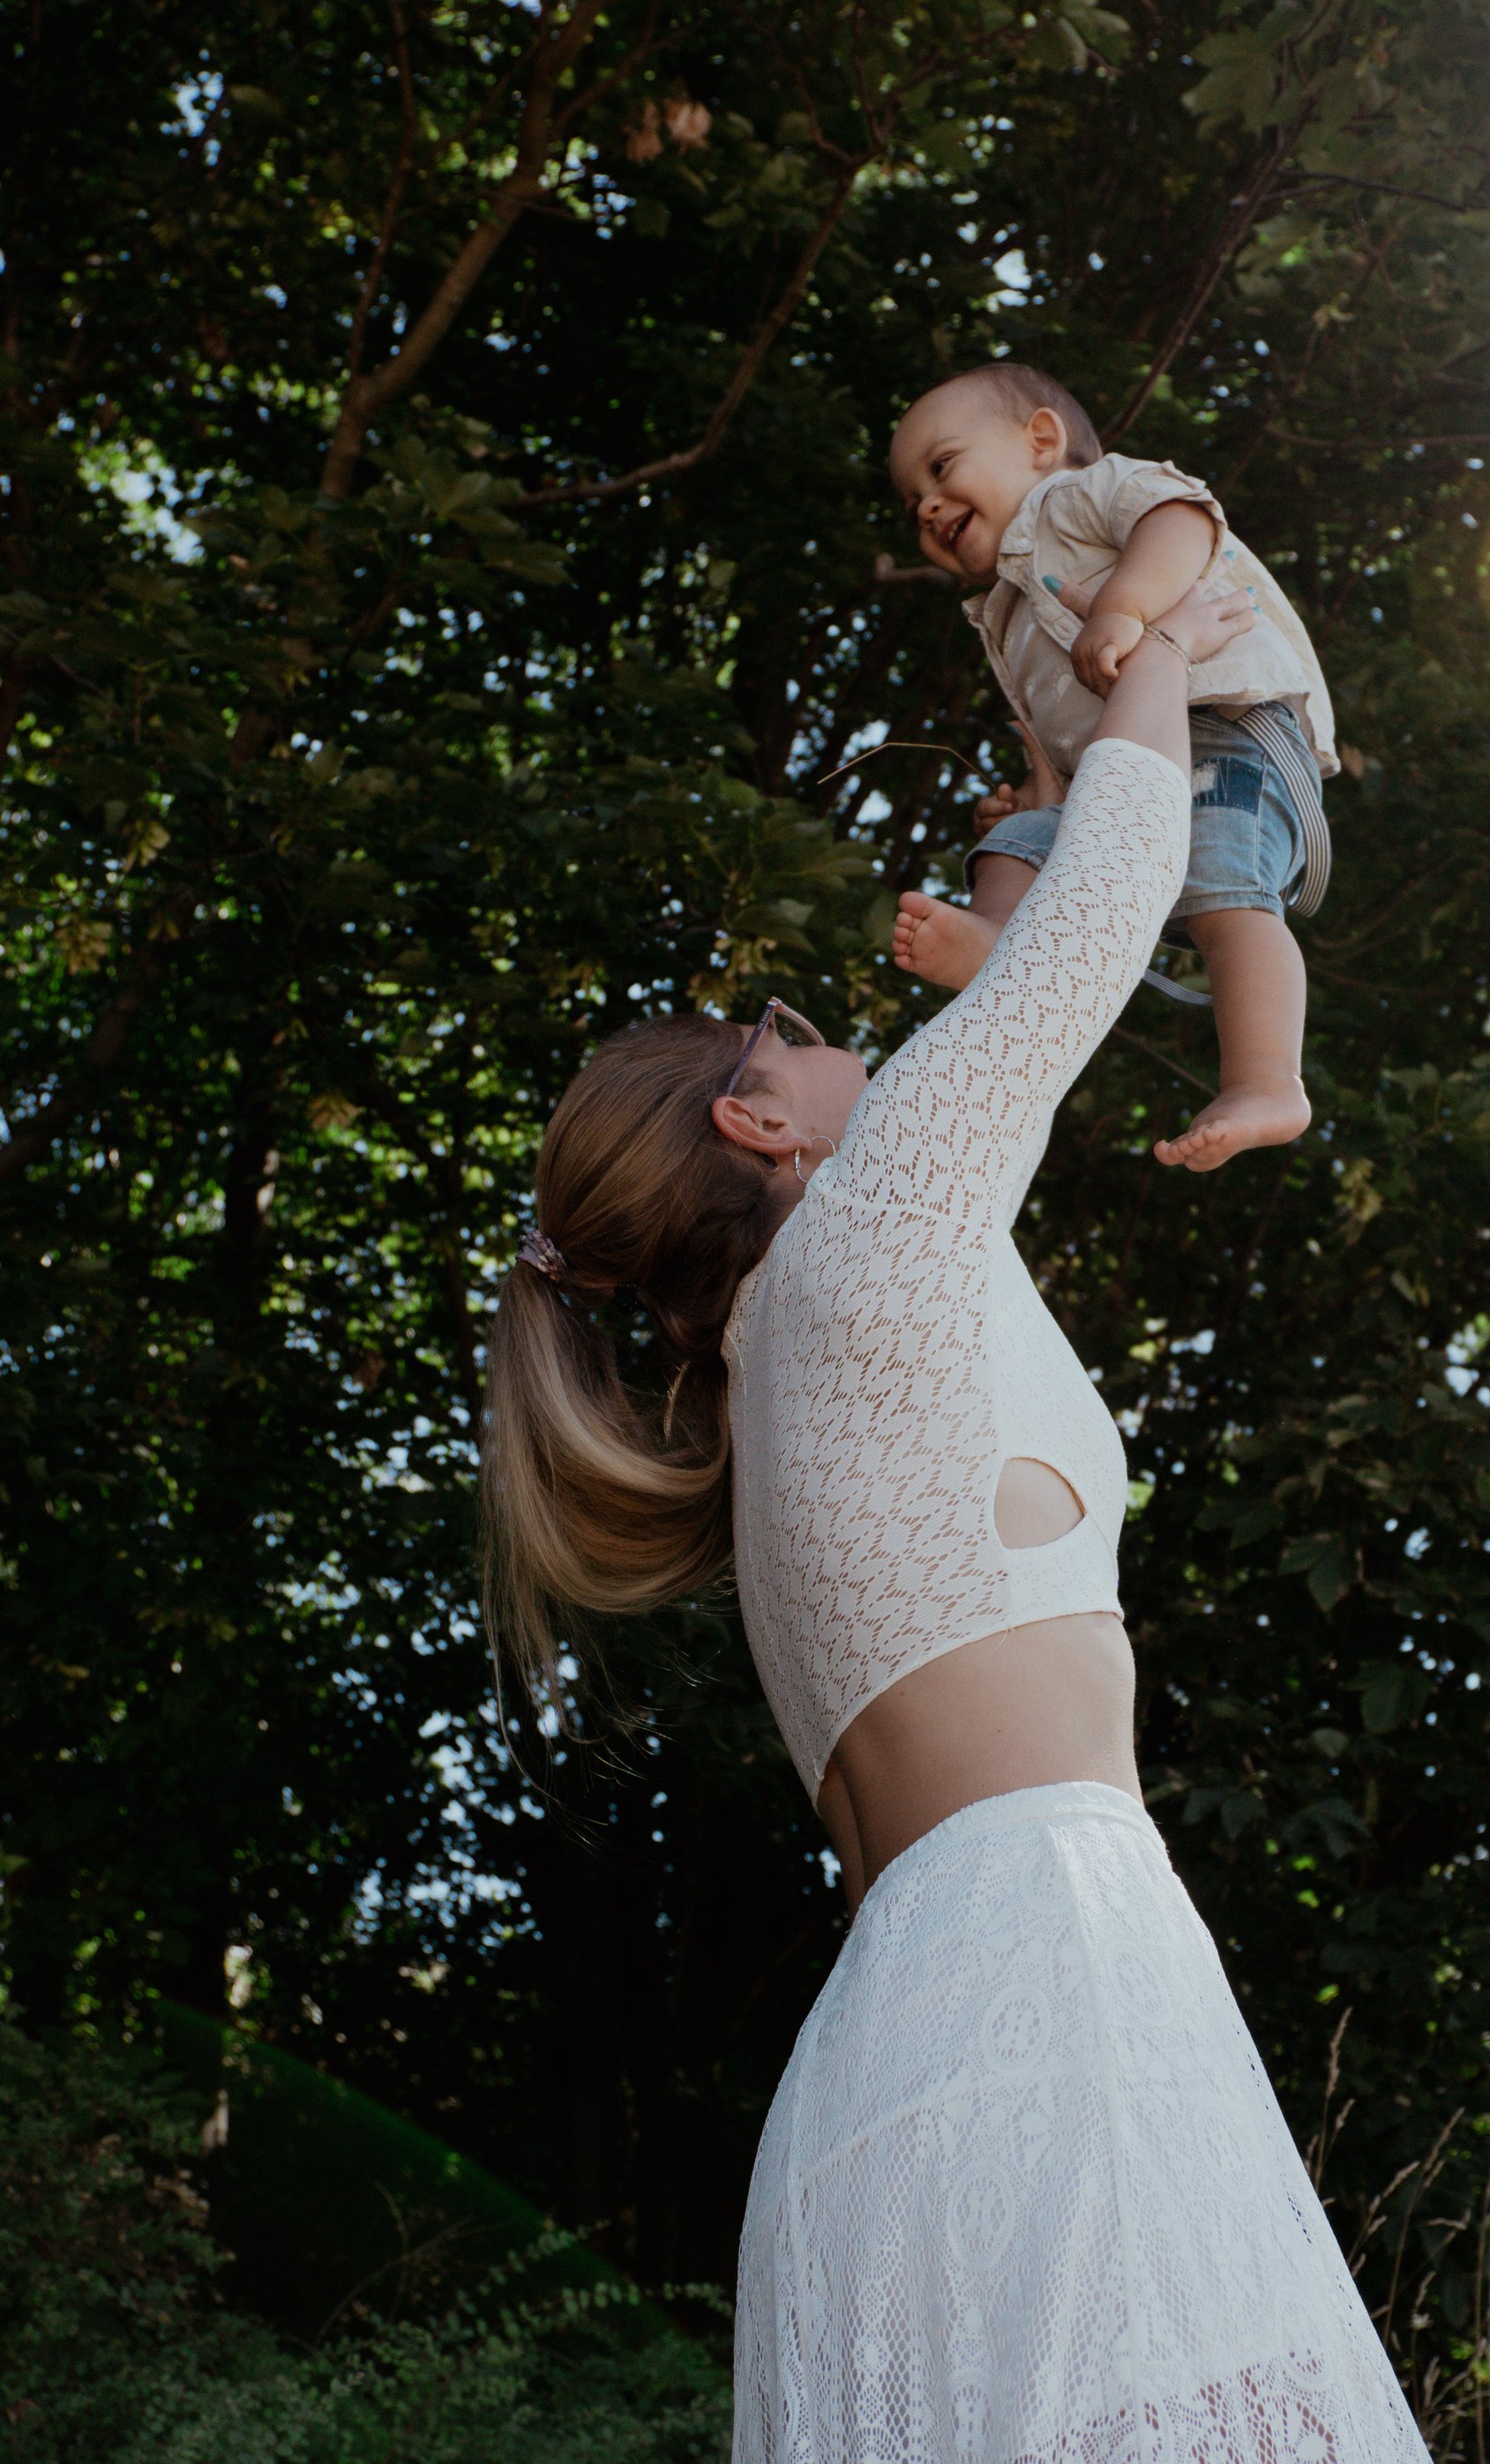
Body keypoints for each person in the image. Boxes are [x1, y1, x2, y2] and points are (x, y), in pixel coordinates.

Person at [479, 577, 1426, 2464]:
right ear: (763, 1127)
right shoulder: (871, 1217)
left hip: (876, 2107)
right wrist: (1157, 650)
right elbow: (1103, 902)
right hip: (1048, 1996)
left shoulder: (769, 1407)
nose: (848, 1042)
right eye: (799, 1032)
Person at [886, 361, 1337, 1173]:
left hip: (1225, 723)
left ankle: (1268, 1079)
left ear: (1042, 441)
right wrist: (1039, 797)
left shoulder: (1078, 494)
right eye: (912, 497)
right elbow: (1076, 737)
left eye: (942, 467)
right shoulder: (1001, 612)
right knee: (1018, 838)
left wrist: (1127, 605)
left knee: (1223, 883)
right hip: (1128, 780)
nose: (924, 504)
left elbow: (1182, 517)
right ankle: (998, 940)